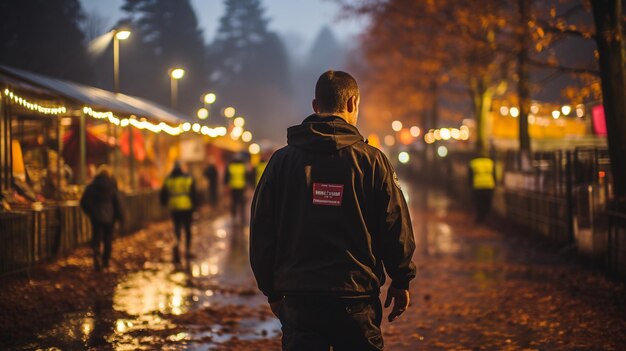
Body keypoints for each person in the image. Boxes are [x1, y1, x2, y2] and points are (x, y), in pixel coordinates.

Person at [250, 70, 416, 351]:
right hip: (356, 299)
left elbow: (261, 231)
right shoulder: (373, 162)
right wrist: (401, 279)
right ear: (352, 103)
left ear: (315, 106)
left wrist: (273, 291)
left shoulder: (280, 162)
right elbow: (394, 224)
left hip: (299, 298)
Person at [80, 165, 124, 271]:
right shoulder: (112, 186)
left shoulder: (92, 186)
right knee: (108, 239)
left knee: (96, 237)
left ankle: (96, 253)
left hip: (96, 216)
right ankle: (105, 261)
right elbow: (118, 203)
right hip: (110, 217)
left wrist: (90, 211)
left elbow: (84, 201)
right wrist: (120, 217)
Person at [160, 161, 198, 263]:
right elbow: (193, 193)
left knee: (176, 228)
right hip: (187, 207)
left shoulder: (168, 179)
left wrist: (165, 205)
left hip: (174, 208)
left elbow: (163, 194)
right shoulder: (187, 178)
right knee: (187, 229)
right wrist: (195, 207)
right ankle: (187, 250)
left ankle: (176, 248)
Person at [468, 153, 496, 222]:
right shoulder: (490, 162)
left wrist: (470, 185)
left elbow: (470, 176)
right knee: (487, 202)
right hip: (489, 185)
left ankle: (480, 218)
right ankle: (486, 217)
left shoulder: (473, 162)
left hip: (478, 186)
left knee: (479, 203)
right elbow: (494, 175)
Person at [224, 154, 248, 222]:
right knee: (242, 202)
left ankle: (234, 216)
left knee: (234, 202)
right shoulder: (243, 166)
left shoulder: (230, 166)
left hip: (233, 187)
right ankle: (242, 217)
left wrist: (226, 185)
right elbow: (246, 176)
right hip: (242, 187)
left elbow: (226, 177)